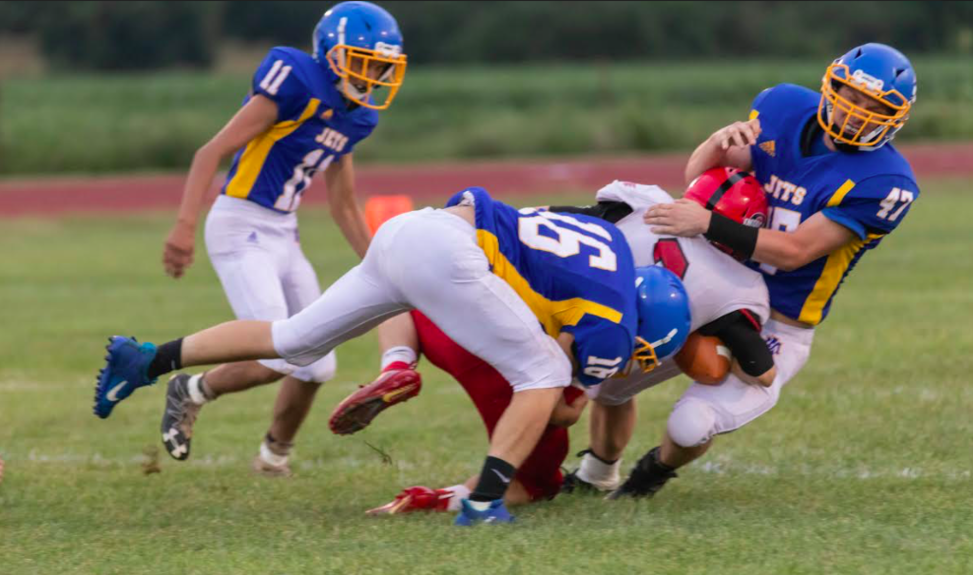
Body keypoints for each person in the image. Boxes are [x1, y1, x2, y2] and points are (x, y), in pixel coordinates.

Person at [93, 186, 689, 526]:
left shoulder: (611, 247)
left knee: (295, 338)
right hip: (451, 256)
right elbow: (556, 407)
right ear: (646, 336)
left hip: (412, 228)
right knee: (543, 374)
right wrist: (571, 382)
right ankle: (484, 499)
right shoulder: (614, 329)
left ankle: (148, 360)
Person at [333, 171, 771, 512]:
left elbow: (544, 217)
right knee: (537, 478)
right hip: (504, 360)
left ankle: (397, 363)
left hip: (454, 307)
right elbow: (563, 408)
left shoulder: (641, 210)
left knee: (404, 288)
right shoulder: (632, 323)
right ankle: (444, 500)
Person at [626, 43, 920, 497]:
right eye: (851, 96)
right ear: (831, 87)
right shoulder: (782, 108)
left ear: (895, 118)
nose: (857, 113)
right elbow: (701, 181)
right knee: (607, 382)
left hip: (780, 320)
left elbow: (796, 251)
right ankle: (596, 470)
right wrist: (717, 143)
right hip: (713, 285)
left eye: (875, 107)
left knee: (690, 425)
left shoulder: (885, 181)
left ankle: (651, 472)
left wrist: (708, 223)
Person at [148, 1, 407, 475]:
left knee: (317, 364)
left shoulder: (356, 116)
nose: (371, 75)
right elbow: (210, 151)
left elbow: (344, 205)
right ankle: (192, 390)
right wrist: (184, 225)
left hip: (284, 233)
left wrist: (386, 266)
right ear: (332, 54)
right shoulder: (296, 81)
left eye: (379, 67)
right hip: (239, 223)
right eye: (363, 61)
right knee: (280, 351)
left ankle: (273, 457)